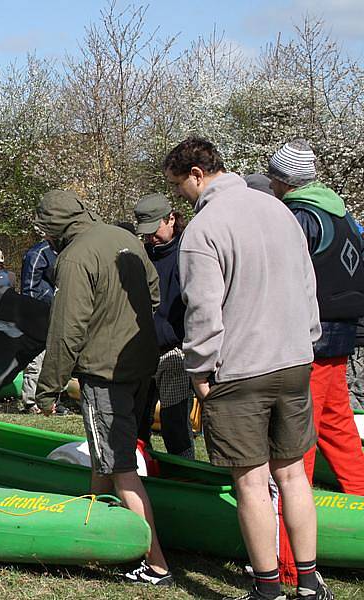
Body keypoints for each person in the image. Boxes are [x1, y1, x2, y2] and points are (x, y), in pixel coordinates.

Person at [165, 136, 330, 600]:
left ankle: (268, 588)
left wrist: (198, 370)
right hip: (295, 358)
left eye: (180, 185)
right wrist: (307, 341)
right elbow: (306, 284)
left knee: (252, 480)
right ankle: (311, 582)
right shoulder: (279, 210)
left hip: (241, 369)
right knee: (294, 473)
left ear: (197, 174)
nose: (181, 195)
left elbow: (203, 311)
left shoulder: (204, 229)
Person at [33, 189, 172, 586]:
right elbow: (154, 295)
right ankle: (97, 534)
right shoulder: (126, 238)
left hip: (104, 374)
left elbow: (66, 329)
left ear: (53, 227)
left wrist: (48, 389)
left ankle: (156, 562)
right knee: (104, 458)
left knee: (121, 467)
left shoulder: (74, 258)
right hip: (139, 366)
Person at [268, 139, 364, 496]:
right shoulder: (342, 214)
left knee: (297, 435)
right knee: (337, 428)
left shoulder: (299, 217)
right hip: (342, 336)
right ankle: (359, 497)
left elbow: (282, 279)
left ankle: (289, 538)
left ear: (283, 180)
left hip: (310, 340)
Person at [134, 193, 194, 459]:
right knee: (137, 421)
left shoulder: (189, 252)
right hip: (143, 351)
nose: (151, 238)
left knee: (175, 423)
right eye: (145, 234)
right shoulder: (141, 256)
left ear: (171, 219)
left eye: (154, 231)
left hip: (175, 351)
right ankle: (141, 468)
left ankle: (185, 474)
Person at [18, 239, 57, 414]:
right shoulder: (39, 252)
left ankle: (51, 400)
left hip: (58, 312)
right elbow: (29, 287)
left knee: (55, 358)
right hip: (39, 313)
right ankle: (31, 401)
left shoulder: (67, 250)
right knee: (36, 360)